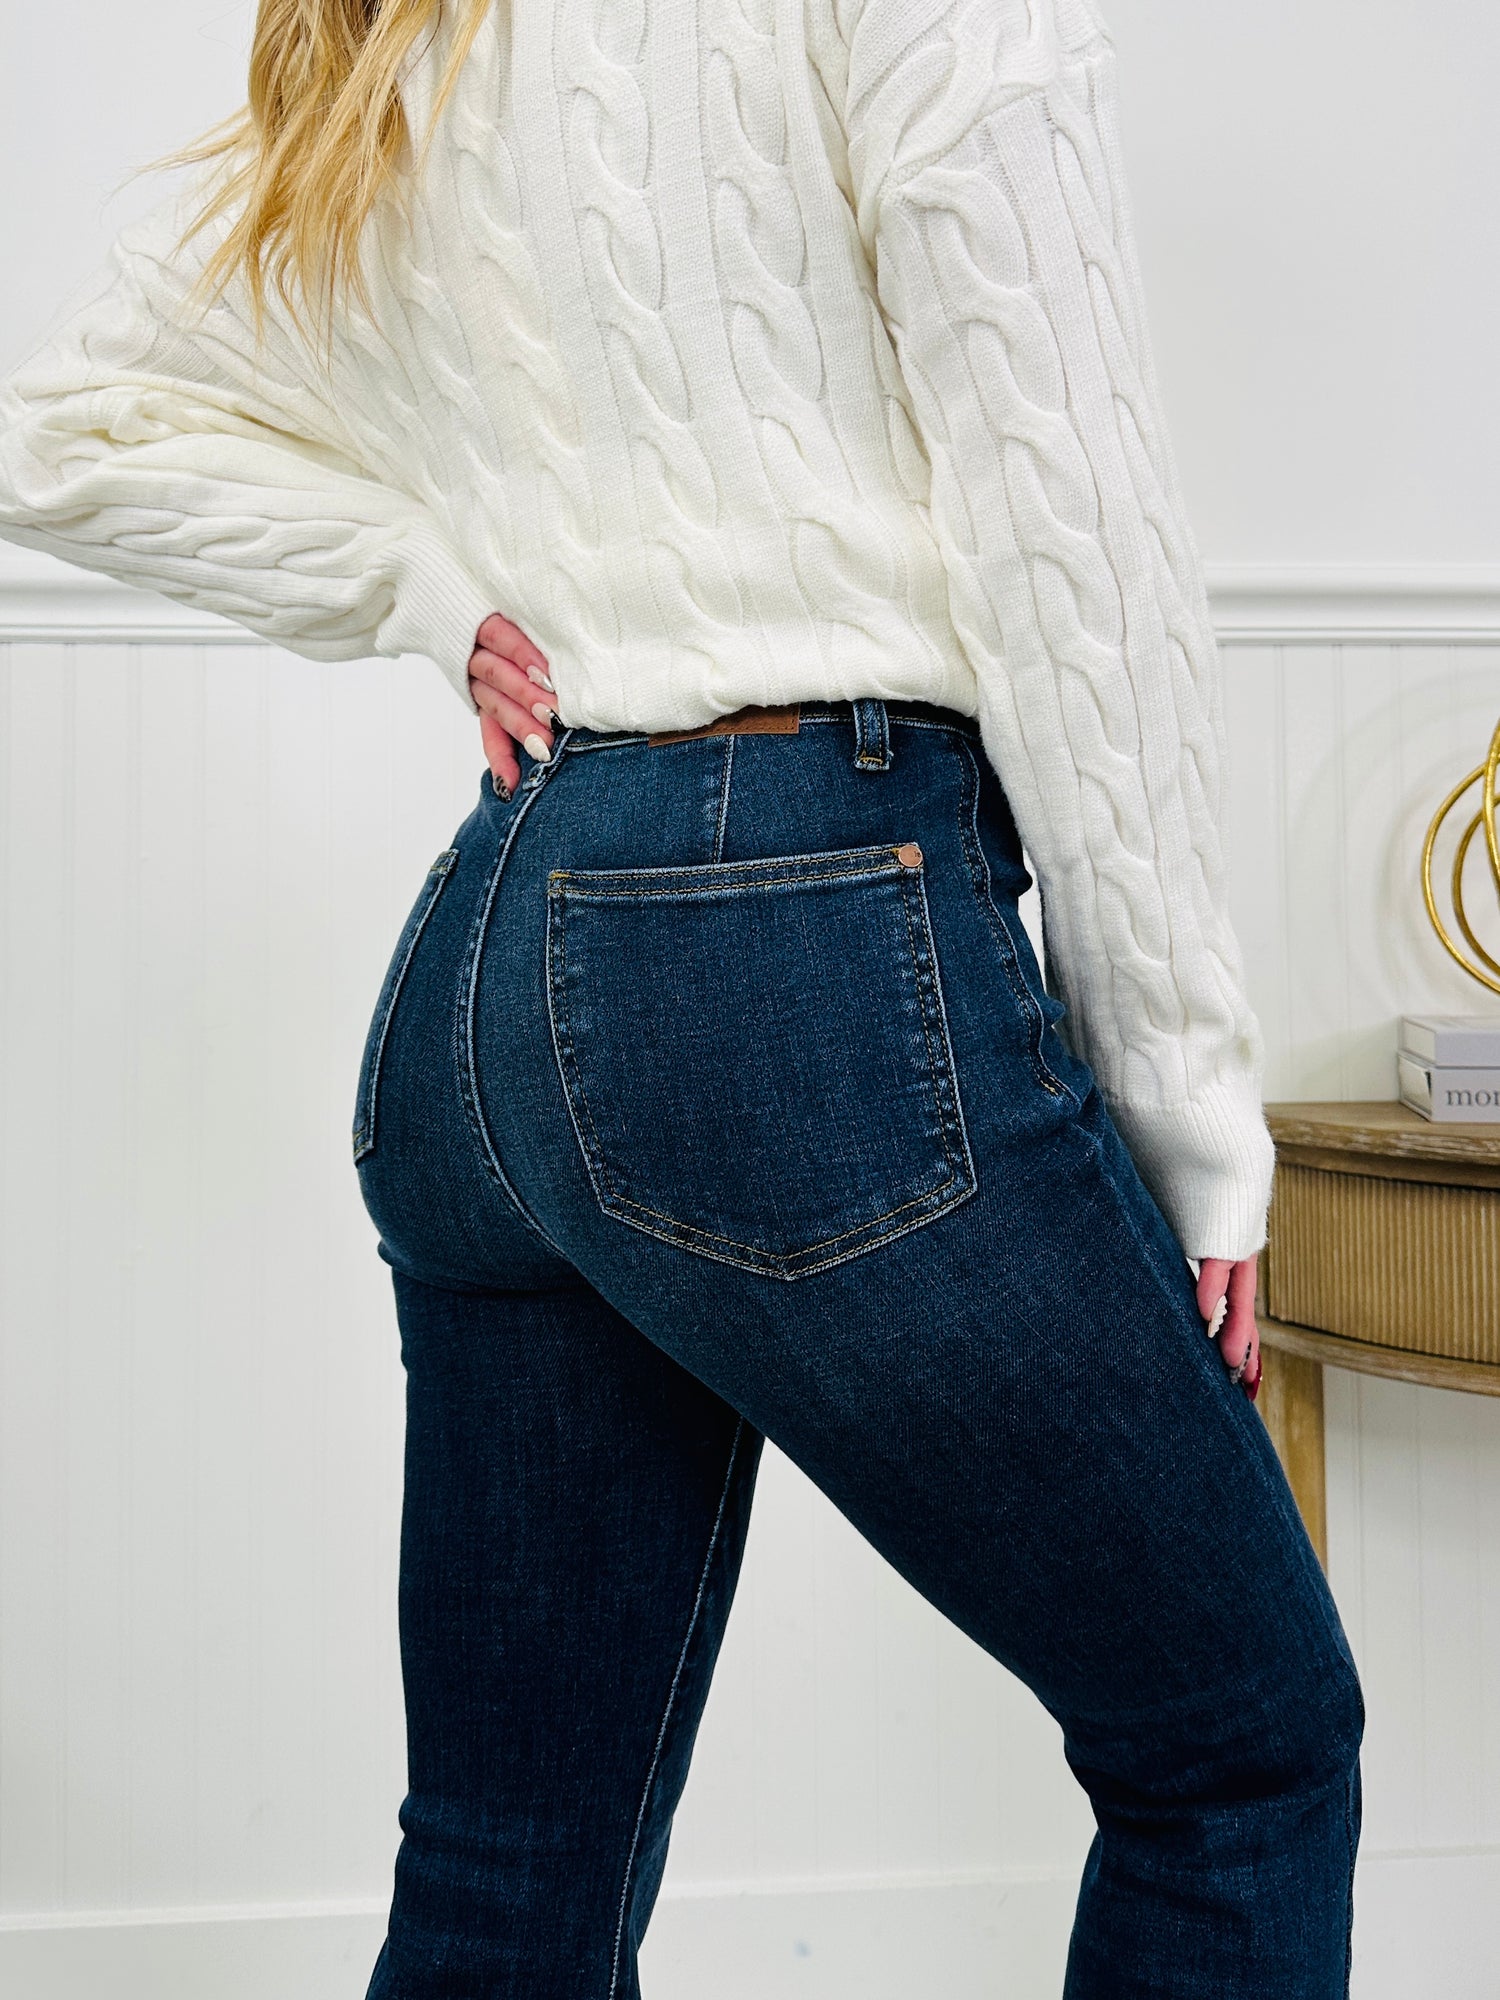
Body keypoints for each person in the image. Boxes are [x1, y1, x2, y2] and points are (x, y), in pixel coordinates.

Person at [0, 0, 1363, 1994]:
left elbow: (56, 430)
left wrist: (422, 578)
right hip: (792, 941)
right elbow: (1069, 514)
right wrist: (1184, 1094)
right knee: (1241, 1753)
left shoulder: (407, 37)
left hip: (491, 973)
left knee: (508, 1862)